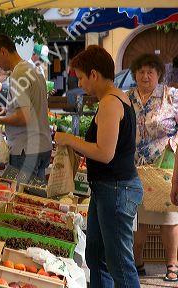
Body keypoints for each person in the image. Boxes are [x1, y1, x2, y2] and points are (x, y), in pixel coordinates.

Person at [54, 45, 143, 288]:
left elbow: (105, 153)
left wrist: (69, 139)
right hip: (108, 189)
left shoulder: (111, 103)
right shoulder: (115, 99)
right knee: (96, 256)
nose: (80, 84)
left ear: (94, 74)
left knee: (120, 265)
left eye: (81, 77)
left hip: (116, 190)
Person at [128, 54, 178, 282]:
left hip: (163, 165)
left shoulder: (171, 95)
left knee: (168, 217)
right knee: (140, 218)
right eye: (141, 71)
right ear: (134, 74)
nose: (145, 75)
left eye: (150, 71)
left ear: (159, 74)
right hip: (134, 165)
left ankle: (172, 265)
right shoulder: (128, 98)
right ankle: (137, 262)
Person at [0, 34, 52, 180]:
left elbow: (23, 117)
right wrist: (8, 110)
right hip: (43, 146)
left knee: (24, 199)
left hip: (25, 150)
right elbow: (33, 107)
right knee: (37, 201)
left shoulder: (18, 74)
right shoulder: (34, 70)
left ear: (3, 51)